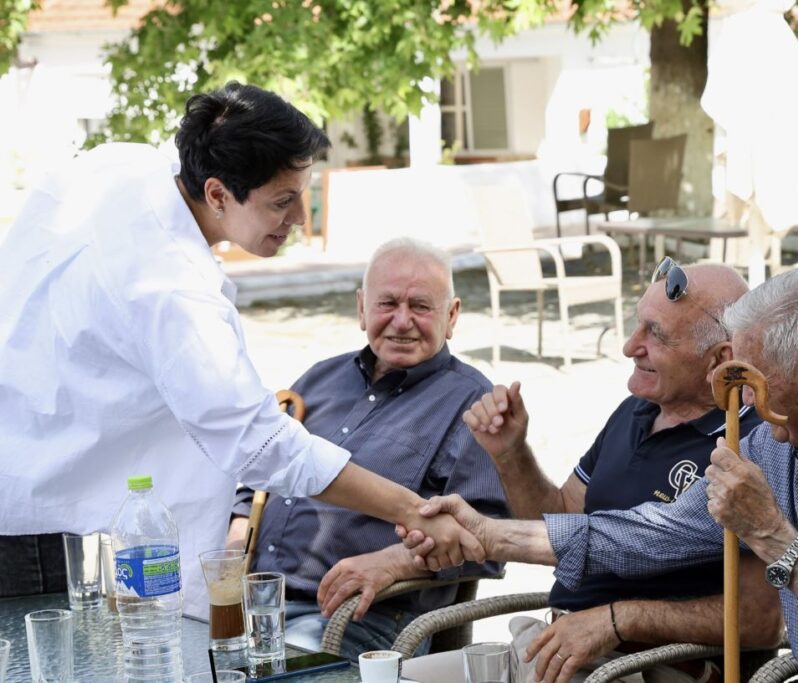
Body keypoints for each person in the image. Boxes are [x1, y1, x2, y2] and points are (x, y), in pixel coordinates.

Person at [0, 82, 478, 618]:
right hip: (33, 506)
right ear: (218, 194)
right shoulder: (170, 291)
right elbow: (262, 445)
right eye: (281, 202)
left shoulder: (123, 165)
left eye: (302, 191)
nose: (300, 216)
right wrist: (412, 510)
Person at [405, 268, 798, 681]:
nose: (737, 395)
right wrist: (489, 535)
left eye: (747, 375)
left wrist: (775, 539)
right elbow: (649, 532)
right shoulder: (778, 442)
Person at [404, 263, 783, 683]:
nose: (629, 346)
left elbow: (759, 621)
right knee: (389, 677)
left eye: (655, 334)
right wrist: (511, 453)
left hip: (645, 666)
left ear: (721, 360)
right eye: (637, 324)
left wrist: (618, 620)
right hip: (557, 647)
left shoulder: (749, 445)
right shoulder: (637, 411)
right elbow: (561, 517)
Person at [227, 237, 509, 661]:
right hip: (254, 605)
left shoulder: (471, 404)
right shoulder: (320, 378)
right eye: (387, 304)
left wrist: (394, 563)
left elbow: (491, 537)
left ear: (451, 316)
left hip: (357, 617)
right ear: (362, 308)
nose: (401, 321)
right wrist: (236, 540)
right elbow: (261, 466)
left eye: (420, 306)